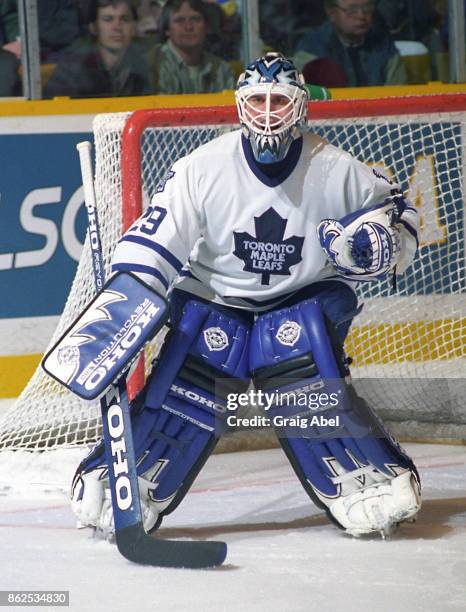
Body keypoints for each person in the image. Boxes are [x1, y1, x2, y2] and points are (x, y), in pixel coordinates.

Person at [71, 53, 421, 539]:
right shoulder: (204, 167)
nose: (268, 111)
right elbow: (155, 240)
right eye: (258, 99)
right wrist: (128, 298)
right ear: (240, 105)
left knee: (292, 349)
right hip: (217, 299)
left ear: (301, 106)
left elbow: (399, 212)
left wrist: (384, 239)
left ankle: (366, 474)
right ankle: (129, 475)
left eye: (280, 100)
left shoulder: (337, 169)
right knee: (205, 348)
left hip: (303, 299)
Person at [45, 0, 152, 98]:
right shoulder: (71, 71)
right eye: (108, 19)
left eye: (125, 19)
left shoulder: (142, 67)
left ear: (134, 27)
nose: (117, 27)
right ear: (94, 27)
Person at [294, 0, 407, 87]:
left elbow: (399, 92)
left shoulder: (384, 46)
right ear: (332, 13)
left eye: (367, 8)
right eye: (352, 10)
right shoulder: (311, 50)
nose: (361, 16)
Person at [146, 0, 235, 94]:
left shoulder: (222, 70)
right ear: (167, 29)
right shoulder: (152, 65)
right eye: (179, 20)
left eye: (195, 19)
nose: (188, 27)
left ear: (207, 27)